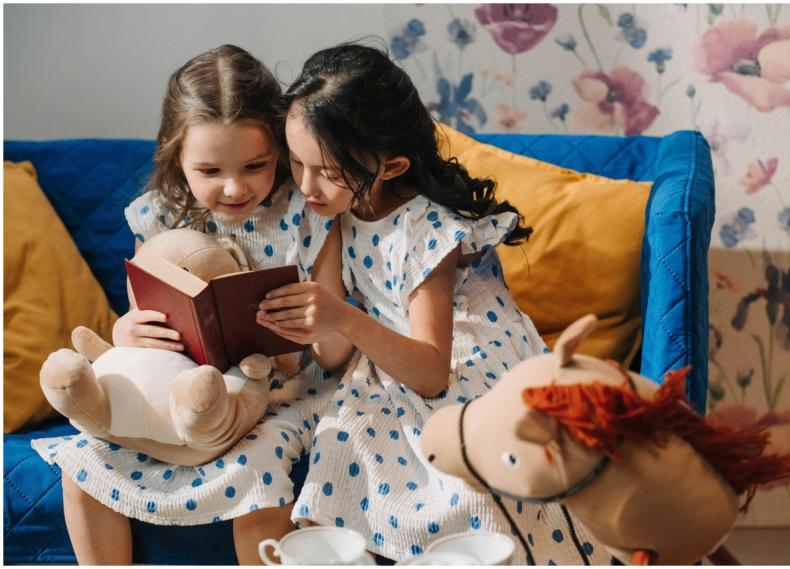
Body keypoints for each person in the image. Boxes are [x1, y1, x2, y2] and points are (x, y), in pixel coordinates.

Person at [256, 42, 600, 565]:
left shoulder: (426, 229)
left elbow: (434, 373)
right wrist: (312, 321)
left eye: (326, 171)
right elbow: (332, 355)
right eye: (297, 162)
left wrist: (341, 316)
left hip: (461, 358)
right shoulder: (331, 212)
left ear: (391, 166)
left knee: (470, 485)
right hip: (385, 357)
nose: (306, 186)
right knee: (339, 448)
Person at [32, 44, 346, 565]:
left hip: (280, 393)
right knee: (82, 463)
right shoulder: (159, 215)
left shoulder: (308, 215)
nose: (234, 187)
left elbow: (335, 353)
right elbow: (140, 320)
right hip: (176, 391)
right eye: (209, 170)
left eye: (255, 165)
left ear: (281, 150)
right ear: (176, 157)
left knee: (257, 474)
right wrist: (127, 333)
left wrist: (315, 323)